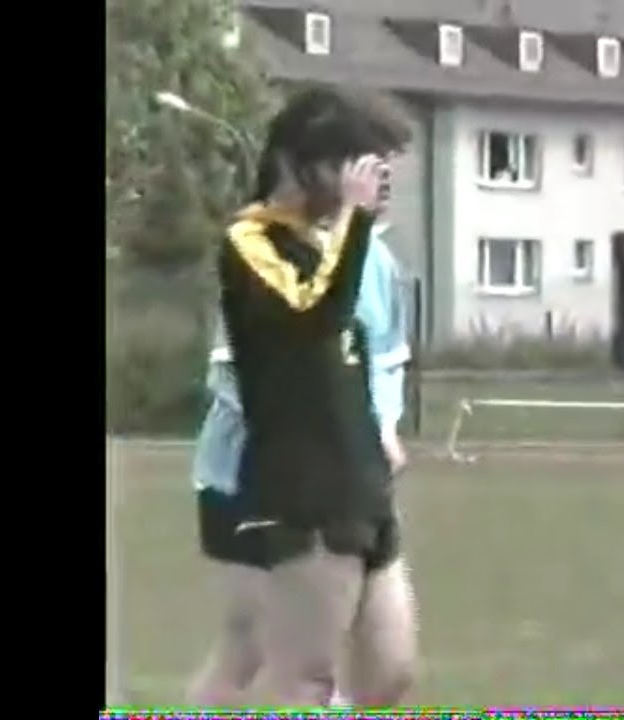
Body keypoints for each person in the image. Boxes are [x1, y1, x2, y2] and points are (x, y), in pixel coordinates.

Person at [186, 152, 412, 707]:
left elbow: (385, 355)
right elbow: (240, 369)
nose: (379, 180)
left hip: (351, 482)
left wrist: (381, 424)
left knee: (381, 670)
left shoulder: (376, 261)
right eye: (363, 164)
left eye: (386, 168)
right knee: (251, 650)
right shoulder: (267, 254)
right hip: (249, 477)